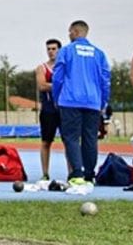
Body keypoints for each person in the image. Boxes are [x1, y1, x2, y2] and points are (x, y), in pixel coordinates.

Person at [52, 20, 110, 186]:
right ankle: (90, 174)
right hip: (93, 101)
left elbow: (58, 77)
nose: (69, 35)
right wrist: (103, 101)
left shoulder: (66, 51)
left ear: (76, 32)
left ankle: (77, 173)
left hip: (70, 100)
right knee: (90, 138)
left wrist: (57, 97)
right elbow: (105, 80)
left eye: (70, 32)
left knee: (71, 137)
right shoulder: (99, 54)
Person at [36, 38, 62, 181]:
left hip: (64, 110)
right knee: (46, 142)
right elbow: (41, 85)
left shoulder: (65, 66)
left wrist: (51, 84)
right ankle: (45, 173)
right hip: (48, 110)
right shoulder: (42, 68)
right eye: (49, 49)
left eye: (54, 49)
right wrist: (59, 84)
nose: (51, 52)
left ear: (59, 50)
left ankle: (73, 172)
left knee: (69, 142)